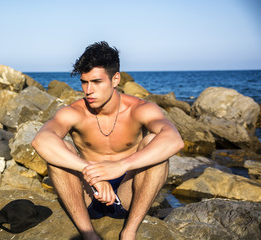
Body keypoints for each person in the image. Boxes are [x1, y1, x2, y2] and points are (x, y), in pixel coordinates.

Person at [32, 41, 184, 240]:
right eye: (84, 82)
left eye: (96, 82)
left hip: (127, 192)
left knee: (155, 146)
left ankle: (129, 231)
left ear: (115, 79)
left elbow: (174, 140)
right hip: (88, 194)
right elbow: (41, 141)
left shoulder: (139, 109)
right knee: (61, 151)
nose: (88, 90)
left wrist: (122, 165)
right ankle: (88, 234)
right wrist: (92, 172)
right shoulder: (75, 112)